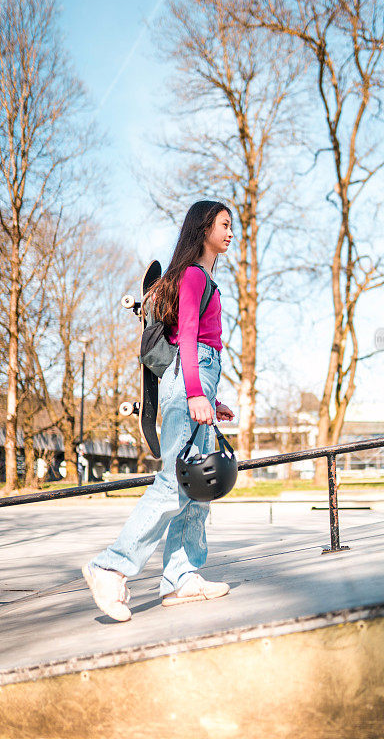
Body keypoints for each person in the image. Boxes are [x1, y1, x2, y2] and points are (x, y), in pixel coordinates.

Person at [82, 200, 235, 621]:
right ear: (203, 228)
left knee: (197, 487)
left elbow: (195, 348)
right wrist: (194, 392)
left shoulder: (203, 277)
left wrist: (208, 396)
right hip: (189, 380)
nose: (230, 233)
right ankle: (109, 567)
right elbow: (187, 335)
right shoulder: (190, 275)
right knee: (172, 484)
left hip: (195, 381)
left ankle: (182, 578)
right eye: (224, 225)